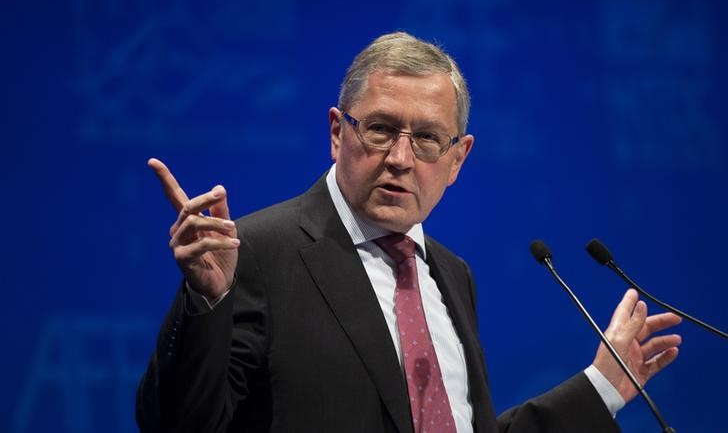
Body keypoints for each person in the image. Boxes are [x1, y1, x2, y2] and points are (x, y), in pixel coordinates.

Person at [136, 32, 682, 433]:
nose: (400, 158)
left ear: (457, 159)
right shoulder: (258, 251)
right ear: (336, 132)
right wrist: (206, 304)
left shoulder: (450, 274)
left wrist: (603, 383)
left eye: (426, 138)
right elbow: (184, 426)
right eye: (380, 129)